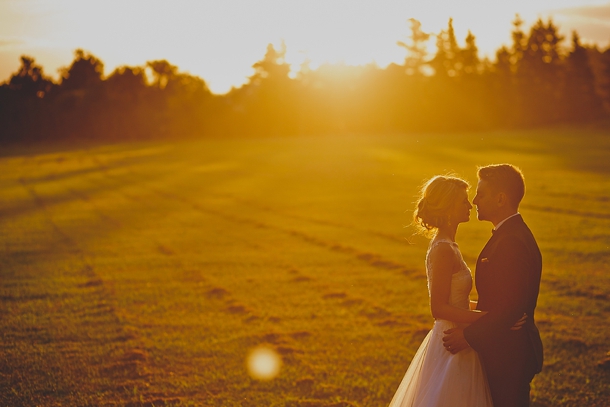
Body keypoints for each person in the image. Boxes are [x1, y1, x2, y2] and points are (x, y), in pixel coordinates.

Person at [389, 175, 523, 407]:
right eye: (463, 201)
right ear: (449, 207)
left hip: (462, 334)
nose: (470, 204)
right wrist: (489, 320)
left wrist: (496, 317)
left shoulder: (450, 245)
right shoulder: (442, 249)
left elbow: (457, 301)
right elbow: (438, 307)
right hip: (451, 340)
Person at [442, 164, 543, 407]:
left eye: (481, 194)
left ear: (501, 199)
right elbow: (503, 303)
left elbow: (511, 308)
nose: (474, 200)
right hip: (504, 348)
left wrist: (468, 336)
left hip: (510, 355)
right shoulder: (508, 234)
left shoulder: (512, 241)